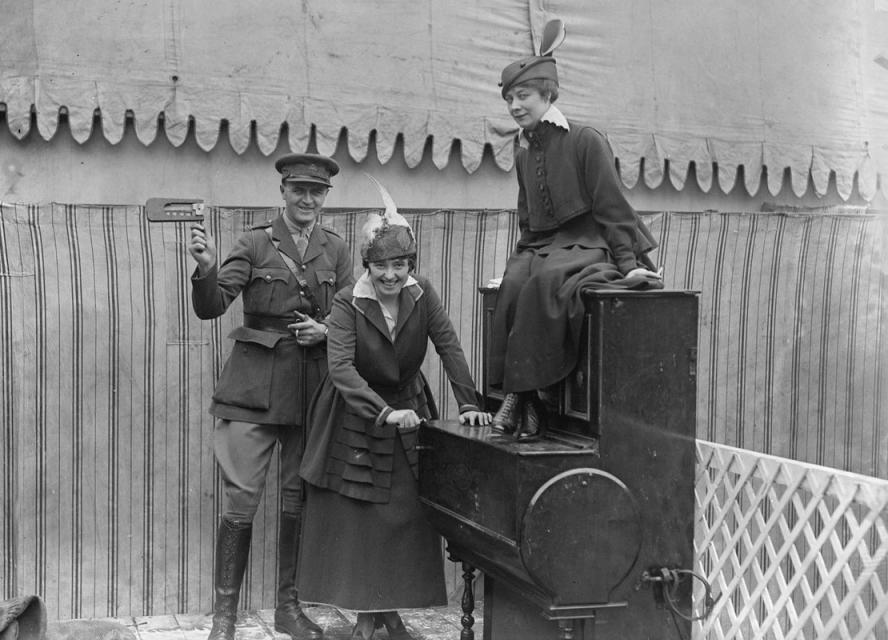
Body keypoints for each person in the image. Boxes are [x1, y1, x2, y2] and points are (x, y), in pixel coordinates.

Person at [296, 207, 492, 640]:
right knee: (360, 519)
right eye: (381, 265)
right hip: (354, 413)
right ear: (367, 264)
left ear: (410, 264)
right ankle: (368, 616)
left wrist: (468, 403)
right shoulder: (348, 301)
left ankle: (386, 612)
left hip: (408, 409)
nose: (390, 275)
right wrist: (383, 413)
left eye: (399, 265)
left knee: (405, 515)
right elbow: (342, 369)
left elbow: (449, 346)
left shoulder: (424, 295)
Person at [188, 153, 354, 640]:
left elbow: (349, 316)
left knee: (297, 498)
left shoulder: (337, 250)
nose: (307, 199)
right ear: (282, 191)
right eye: (298, 189)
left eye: (316, 192)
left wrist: (324, 331)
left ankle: (288, 608)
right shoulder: (255, 242)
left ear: (325, 197)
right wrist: (206, 268)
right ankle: (224, 617)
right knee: (241, 501)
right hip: (254, 386)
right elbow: (212, 306)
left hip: (310, 388)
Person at [487, 46, 663, 437]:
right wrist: (518, 259)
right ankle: (528, 399)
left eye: (523, 96)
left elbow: (613, 207)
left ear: (548, 96)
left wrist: (627, 261)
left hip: (589, 241)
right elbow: (527, 217)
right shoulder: (522, 151)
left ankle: (520, 398)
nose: (515, 106)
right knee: (515, 282)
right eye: (509, 99)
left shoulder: (586, 140)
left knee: (547, 282)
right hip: (543, 245)